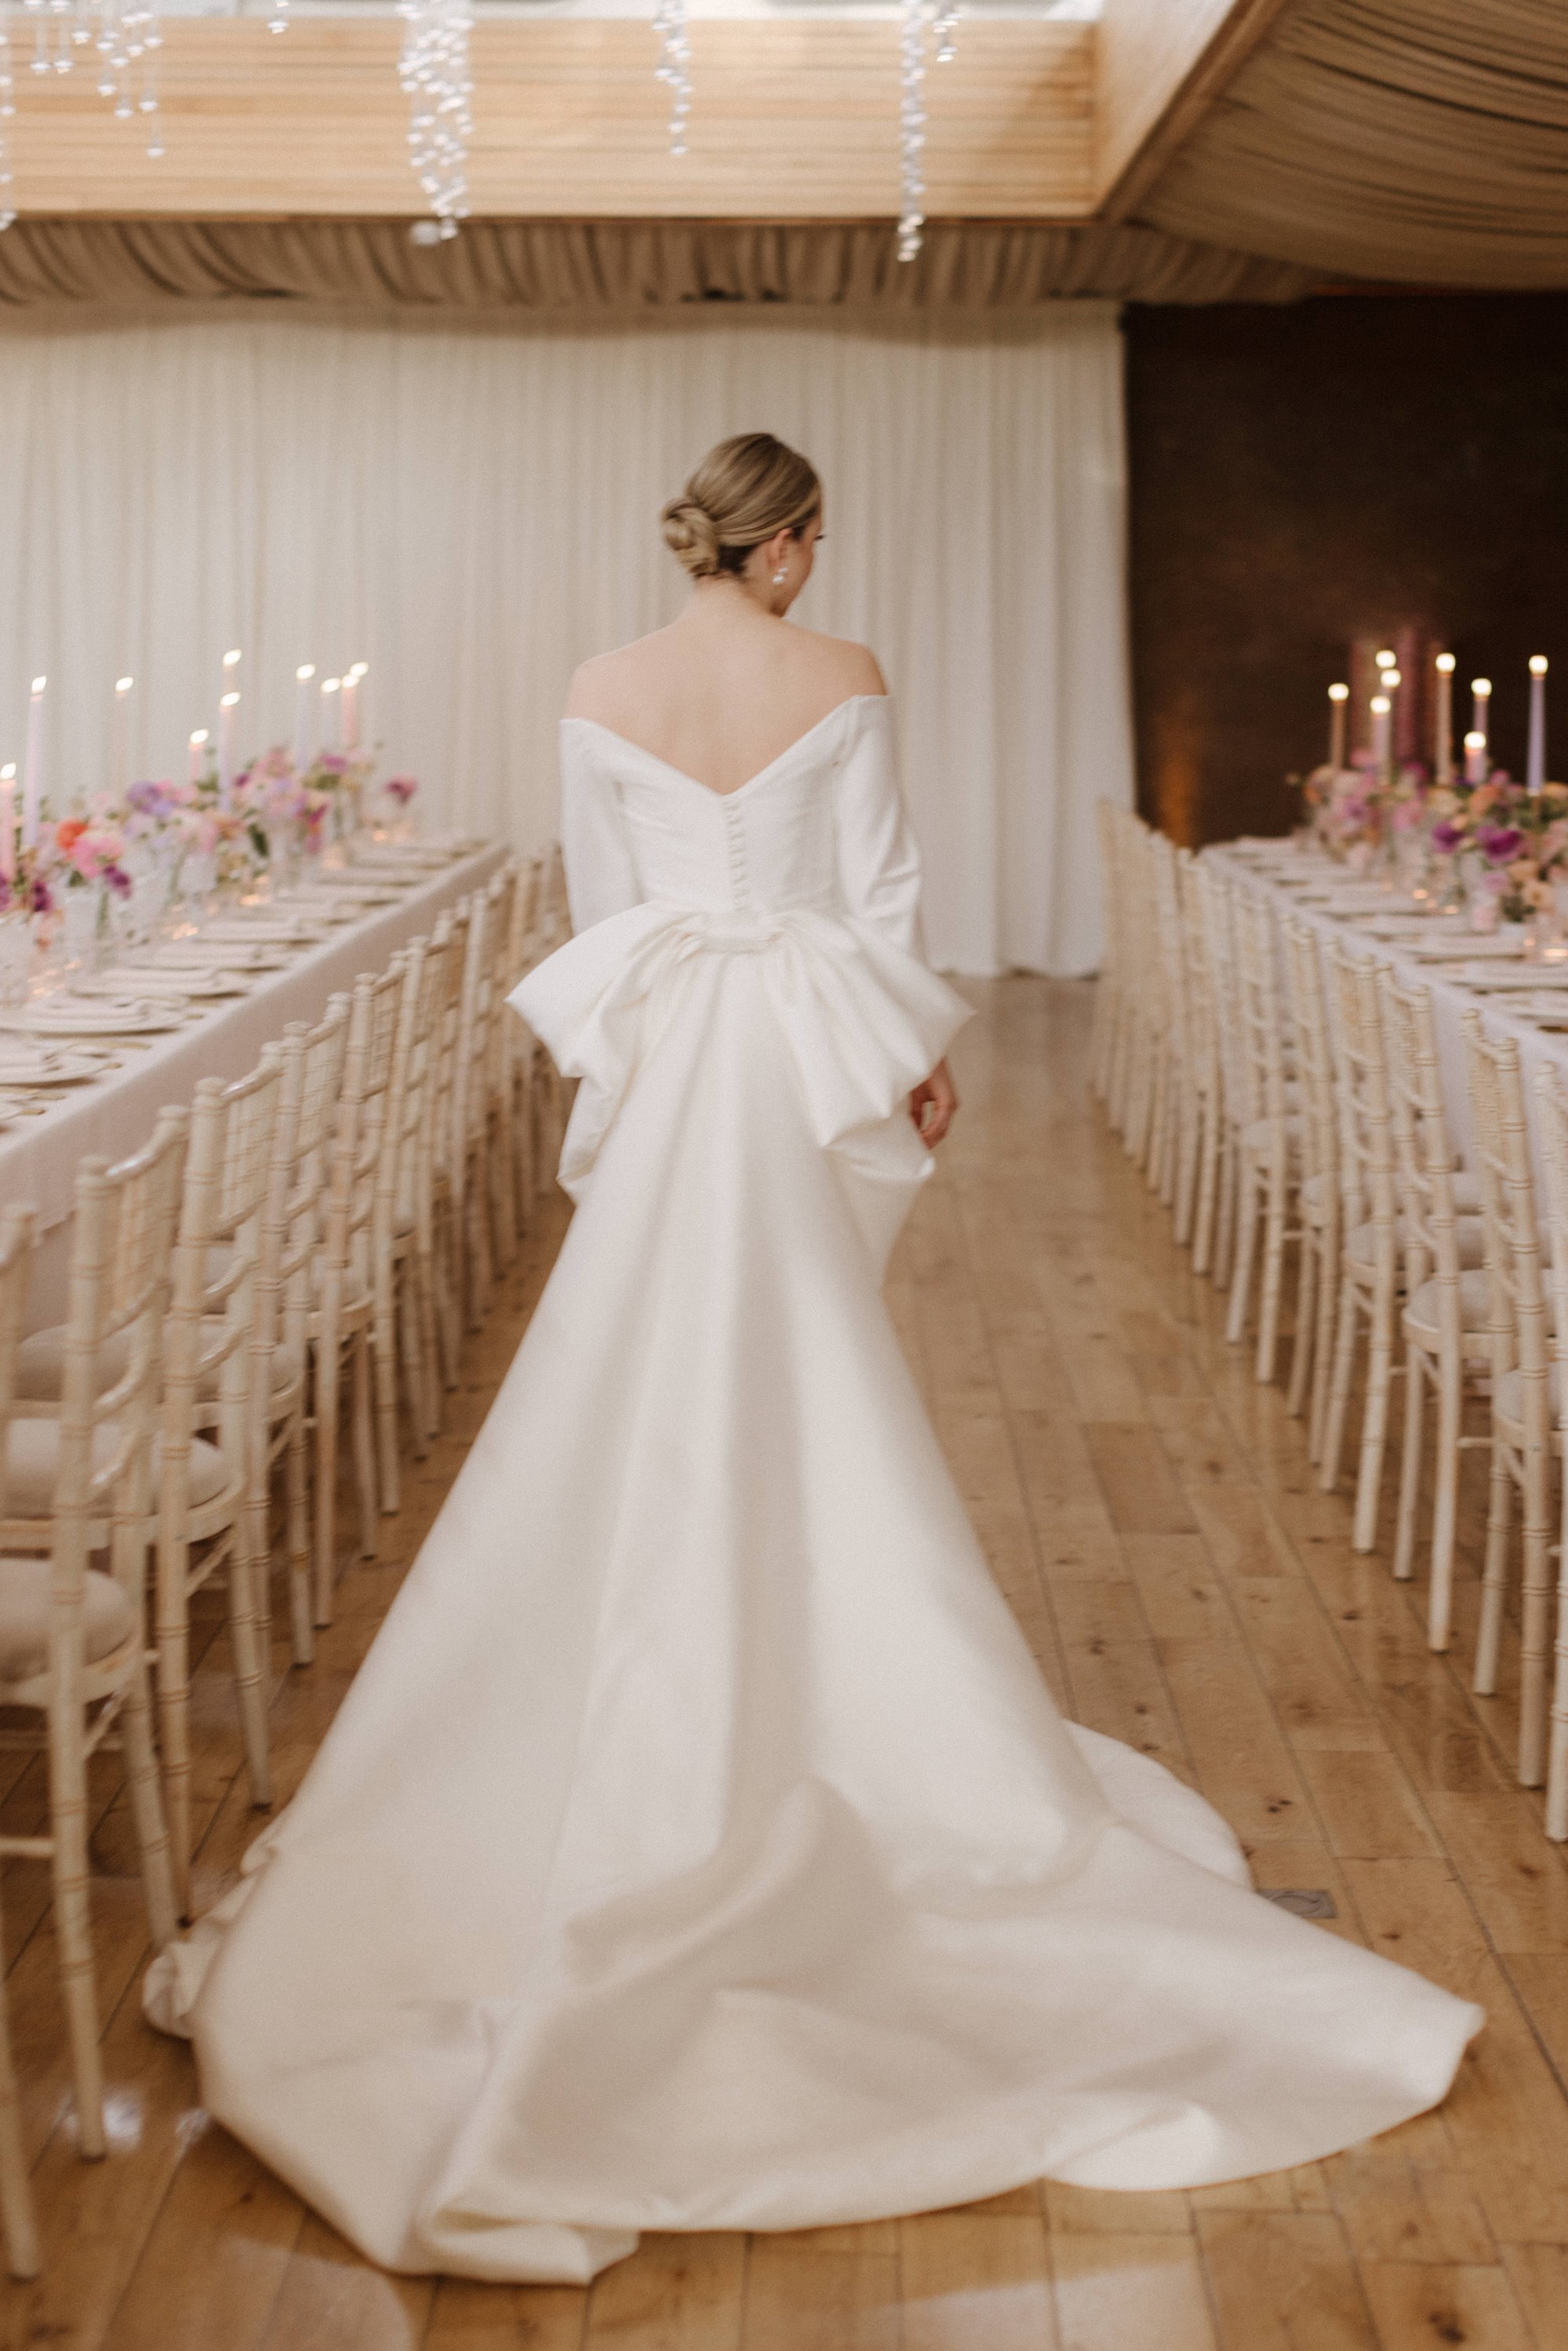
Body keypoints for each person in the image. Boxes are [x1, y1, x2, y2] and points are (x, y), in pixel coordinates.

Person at [147, 431, 1482, 2286]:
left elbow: (604, 910)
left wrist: (635, 1062)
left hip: (674, 1030)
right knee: (807, 1347)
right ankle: (807, 1644)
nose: (811, 573)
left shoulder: (600, 687)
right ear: (783, 548)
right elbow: (871, 891)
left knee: (637, 1347)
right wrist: (905, 1046)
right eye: (813, 548)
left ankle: (644, 1633)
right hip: (794, 1035)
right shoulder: (839, 674)